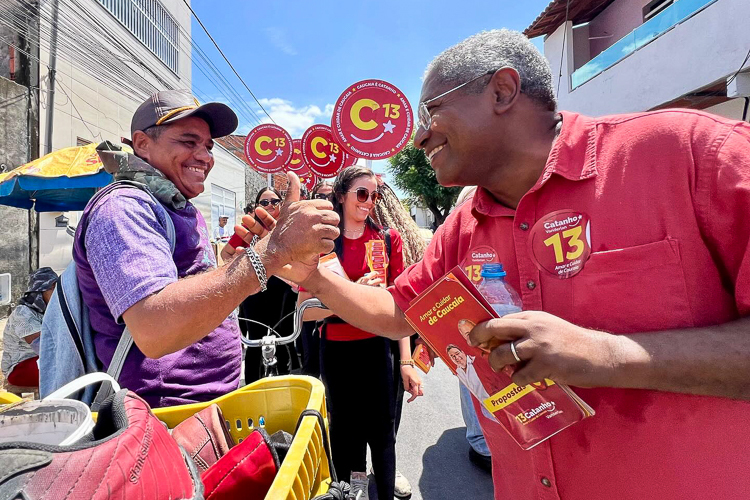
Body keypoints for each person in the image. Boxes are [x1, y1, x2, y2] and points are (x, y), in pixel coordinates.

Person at [266, 30, 750, 499]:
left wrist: (606, 355)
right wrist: (311, 277)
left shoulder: (692, 154)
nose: (419, 137)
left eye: (432, 111)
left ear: (502, 90)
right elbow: (399, 310)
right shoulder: (464, 224)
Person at [73, 89, 339, 408]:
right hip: (165, 416)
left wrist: (229, 264)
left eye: (208, 146)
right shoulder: (124, 207)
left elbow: (187, 291)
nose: (205, 156)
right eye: (188, 142)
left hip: (209, 405)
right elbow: (155, 328)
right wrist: (269, 254)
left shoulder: (179, 207)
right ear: (142, 144)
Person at [297, 167, 422, 500]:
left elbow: (402, 308)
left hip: (379, 351)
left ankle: (382, 493)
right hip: (336, 352)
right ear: (341, 195)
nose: (369, 202)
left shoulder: (386, 239)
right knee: (345, 437)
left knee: (382, 437)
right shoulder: (321, 243)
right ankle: (353, 492)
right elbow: (306, 309)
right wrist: (351, 296)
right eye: (362, 193)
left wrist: (407, 362)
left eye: (375, 195)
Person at [369, 179, 426, 497]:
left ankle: (385, 465)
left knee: (388, 413)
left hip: (391, 344)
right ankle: (357, 469)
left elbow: (412, 304)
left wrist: (410, 358)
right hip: (346, 342)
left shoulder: (397, 242)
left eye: (372, 195)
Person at [231, 187, 300, 383]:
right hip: (254, 292)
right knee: (255, 341)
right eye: (264, 202)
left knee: (284, 340)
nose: (269, 206)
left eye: (274, 201)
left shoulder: (288, 227)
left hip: (284, 291)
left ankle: (285, 386)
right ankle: (252, 388)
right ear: (257, 206)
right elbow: (226, 254)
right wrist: (241, 263)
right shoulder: (249, 227)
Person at [1, 268, 58, 388]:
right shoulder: (23, 313)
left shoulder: (46, 311)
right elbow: (45, 348)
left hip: (38, 360)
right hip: (18, 368)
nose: (57, 293)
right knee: (64, 368)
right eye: (52, 288)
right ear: (39, 291)